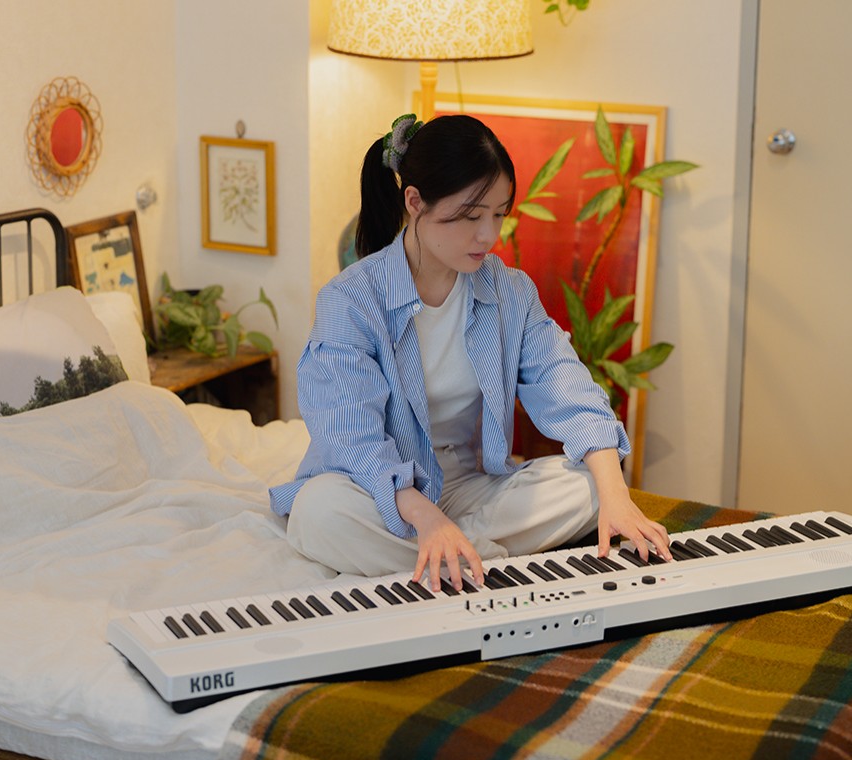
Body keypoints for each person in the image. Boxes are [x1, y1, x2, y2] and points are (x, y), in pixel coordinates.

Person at [270, 113, 670, 592]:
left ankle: (455, 556)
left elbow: (565, 385)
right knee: (318, 512)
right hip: (378, 493)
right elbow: (352, 438)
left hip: (465, 487)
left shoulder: (509, 291)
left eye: (499, 214)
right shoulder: (351, 300)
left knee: (590, 484)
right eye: (470, 216)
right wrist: (425, 517)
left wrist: (616, 497)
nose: (488, 236)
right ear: (414, 202)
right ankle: (477, 557)